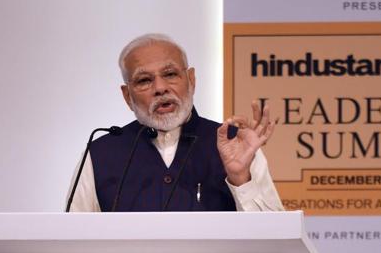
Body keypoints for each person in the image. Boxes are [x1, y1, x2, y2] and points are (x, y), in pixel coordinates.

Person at [68, 33, 283, 212]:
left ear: (191, 80)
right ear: (127, 96)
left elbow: (276, 238)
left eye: (170, 74)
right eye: (144, 80)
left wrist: (240, 178)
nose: (160, 88)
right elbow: (71, 241)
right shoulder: (100, 153)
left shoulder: (236, 142)